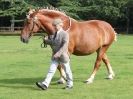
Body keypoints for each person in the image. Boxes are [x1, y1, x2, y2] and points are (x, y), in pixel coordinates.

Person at [36, 18, 73, 90]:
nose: (54, 27)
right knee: (51, 70)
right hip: (55, 57)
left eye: (55, 25)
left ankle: (70, 84)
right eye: (53, 26)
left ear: (60, 25)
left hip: (63, 56)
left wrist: (58, 54)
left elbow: (64, 46)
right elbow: (53, 42)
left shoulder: (65, 34)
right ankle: (45, 84)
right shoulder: (54, 34)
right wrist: (46, 41)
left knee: (67, 71)